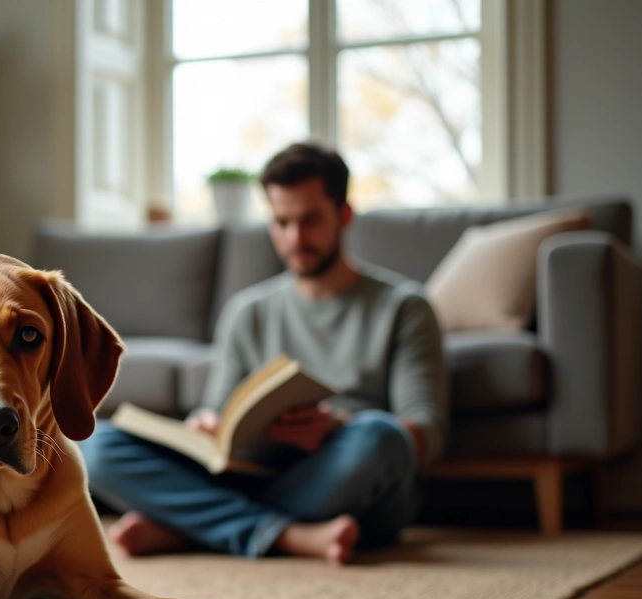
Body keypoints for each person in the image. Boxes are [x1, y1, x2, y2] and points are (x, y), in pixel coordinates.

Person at [80, 142, 448, 565]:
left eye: (310, 220)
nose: (295, 238)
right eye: (281, 222)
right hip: (254, 472)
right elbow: (217, 409)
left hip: (349, 477)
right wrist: (206, 424)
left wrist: (338, 426)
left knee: (380, 436)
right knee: (96, 444)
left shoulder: (405, 307)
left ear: (344, 216)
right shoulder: (247, 312)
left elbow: (427, 433)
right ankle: (288, 535)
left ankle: (195, 526)